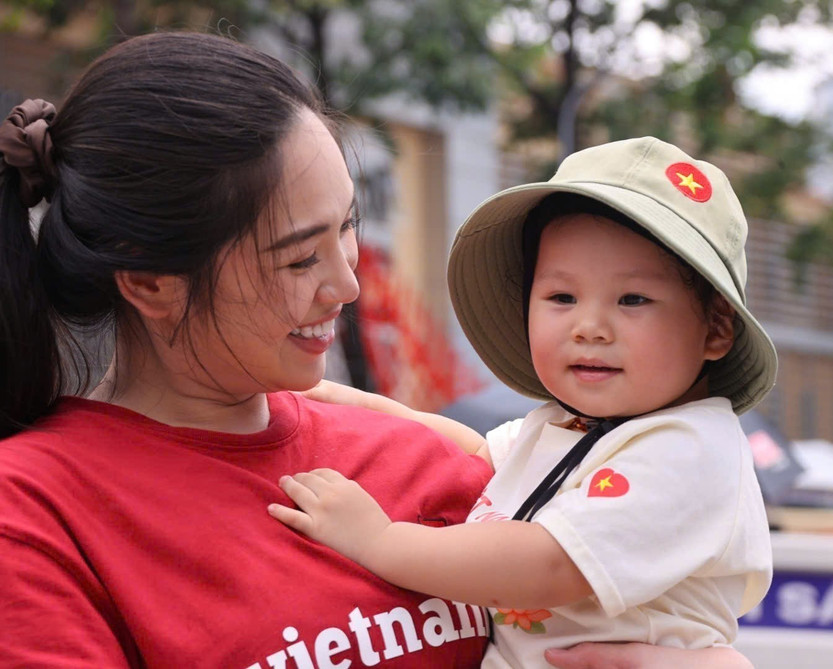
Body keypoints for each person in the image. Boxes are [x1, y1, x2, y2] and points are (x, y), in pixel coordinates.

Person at [0, 30, 753, 668]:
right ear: (151, 282)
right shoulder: (34, 513)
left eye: (347, 228)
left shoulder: (440, 467)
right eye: (299, 259)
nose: (348, 285)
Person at [272, 138, 777, 667]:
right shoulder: (574, 426)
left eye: (633, 300)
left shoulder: (688, 447)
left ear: (716, 328)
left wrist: (378, 542)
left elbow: (550, 564)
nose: (589, 327)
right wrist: (334, 399)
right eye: (562, 297)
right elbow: (474, 453)